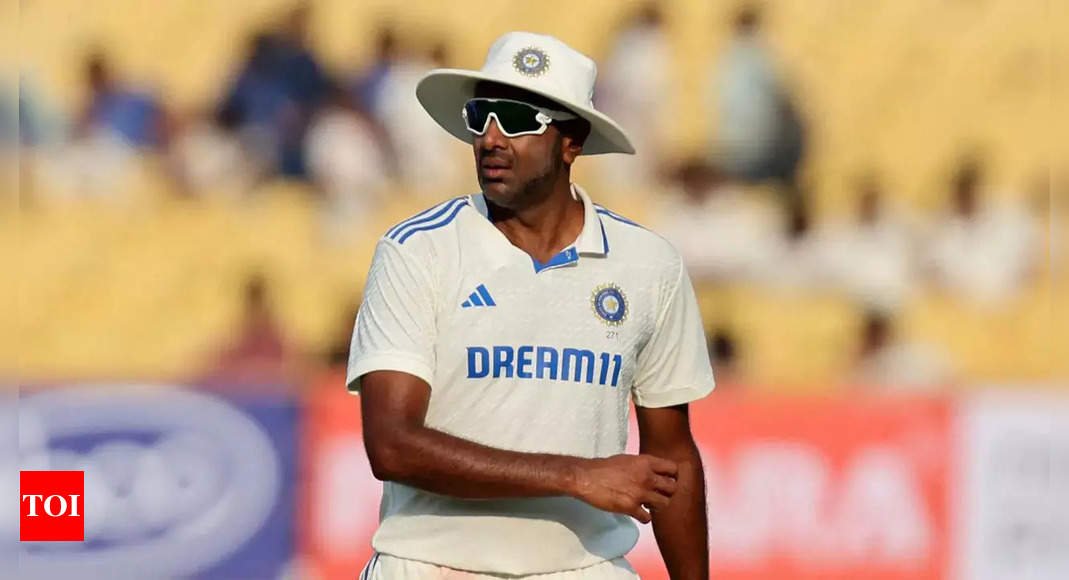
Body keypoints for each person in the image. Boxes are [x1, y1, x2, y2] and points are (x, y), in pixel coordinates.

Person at [346, 32, 714, 579]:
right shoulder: (418, 249)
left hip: (584, 568)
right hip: (431, 565)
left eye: (517, 119)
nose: (491, 139)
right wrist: (574, 476)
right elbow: (391, 446)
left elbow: (673, 456)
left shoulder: (649, 265)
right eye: (480, 117)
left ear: (571, 142)